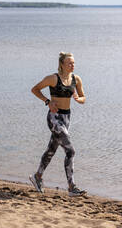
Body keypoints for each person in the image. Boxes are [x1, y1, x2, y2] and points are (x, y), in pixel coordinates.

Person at [29, 52, 87, 197]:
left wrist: (77, 99)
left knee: (51, 150)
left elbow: (83, 98)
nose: (72, 65)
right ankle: (71, 187)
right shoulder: (53, 78)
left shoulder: (76, 79)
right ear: (62, 64)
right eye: (69, 63)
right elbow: (35, 89)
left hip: (67, 118)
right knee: (70, 151)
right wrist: (47, 102)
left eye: (73, 63)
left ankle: (37, 177)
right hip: (54, 118)